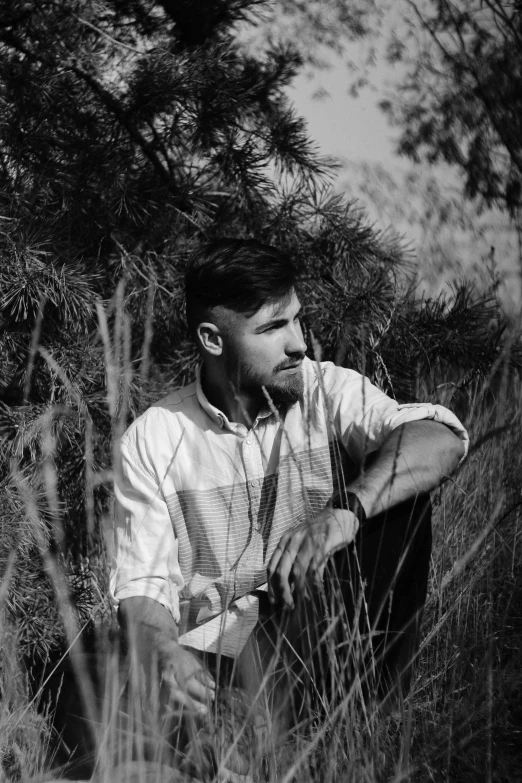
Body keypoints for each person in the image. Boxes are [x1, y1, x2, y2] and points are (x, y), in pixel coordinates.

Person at [111, 238, 467, 771]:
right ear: (212, 338)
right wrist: (164, 655)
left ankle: (314, 733)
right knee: (122, 706)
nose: (298, 343)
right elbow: (141, 590)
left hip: (324, 642)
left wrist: (345, 509)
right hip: (215, 668)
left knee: (398, 499)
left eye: (298, 320)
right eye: (273, 328)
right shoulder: (155, 438)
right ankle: (234, 744)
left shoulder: (326, 390)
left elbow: (441, 438)